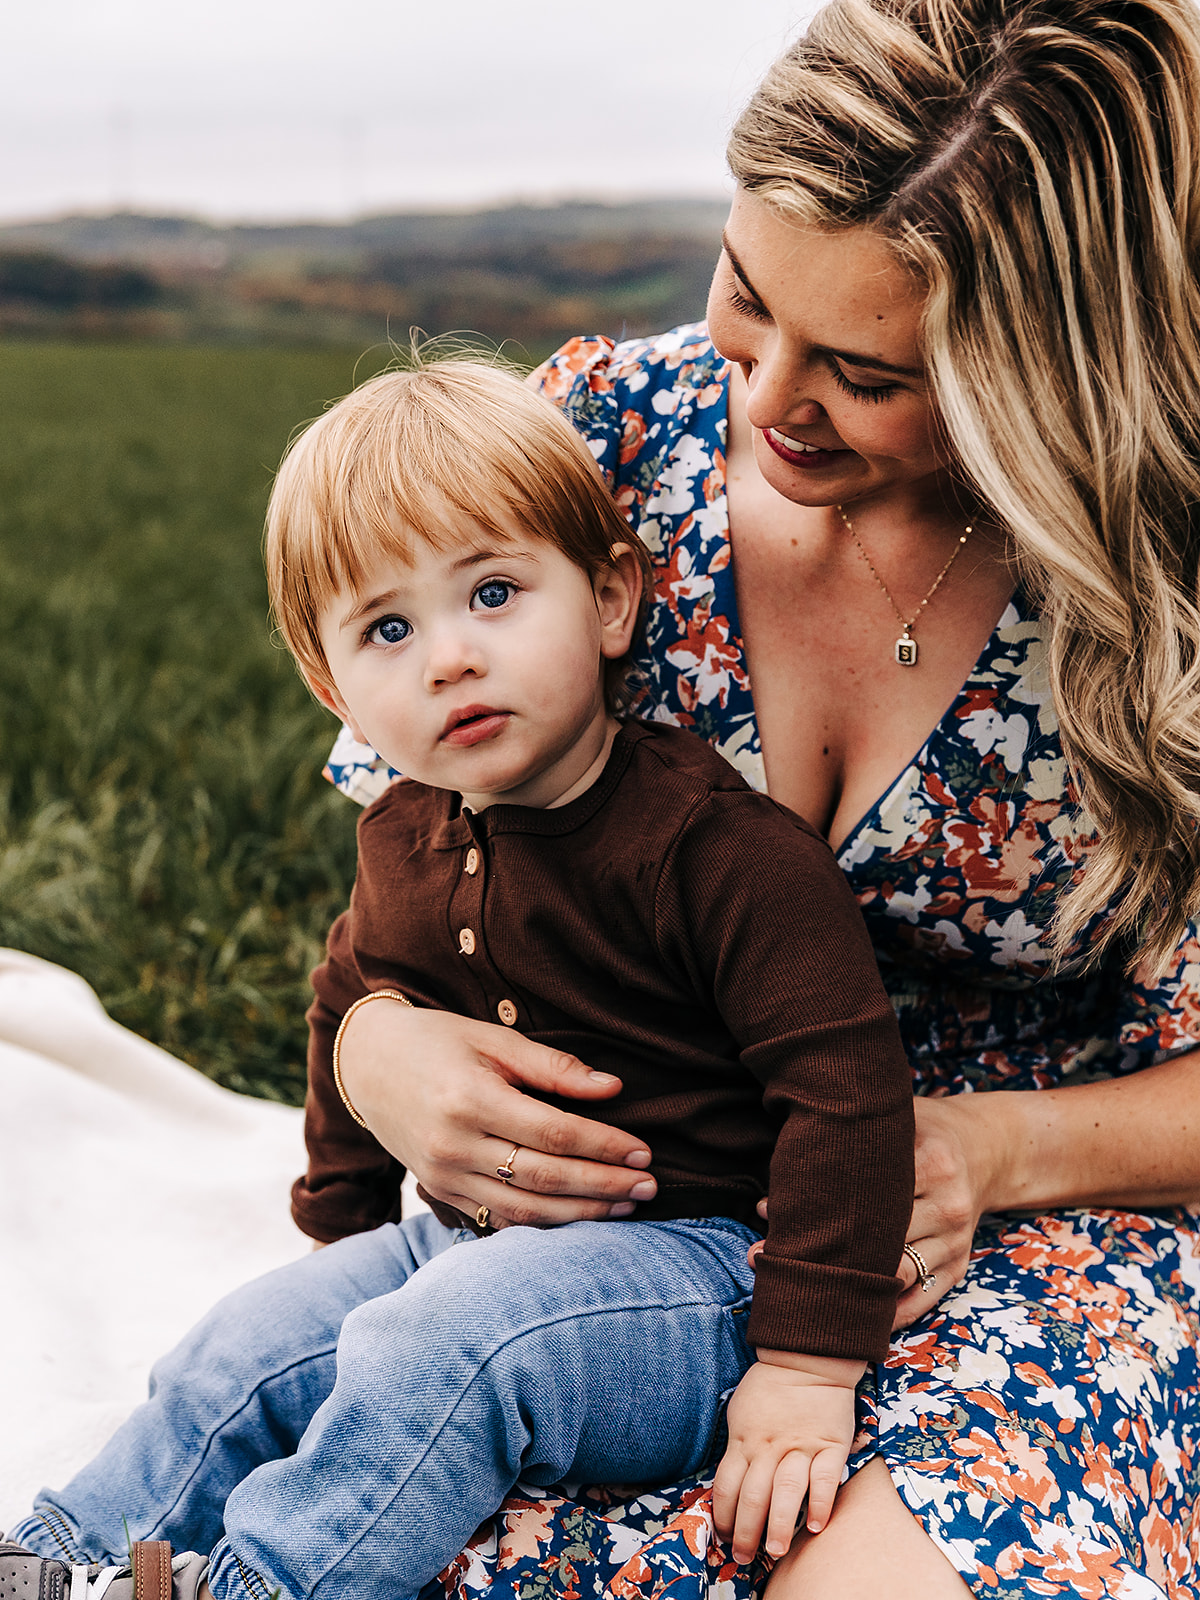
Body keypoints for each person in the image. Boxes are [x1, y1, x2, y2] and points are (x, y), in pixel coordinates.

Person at [316, 2, 1200, 1596]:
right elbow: (415, 847)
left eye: (864, 370)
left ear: (1048, 373)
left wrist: (999, 1152)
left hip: (1048, 1231)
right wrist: (382, 1049)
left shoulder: (1165, 593)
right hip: (650, 1211)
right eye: (743, 297)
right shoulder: (595, 446)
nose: (768, 398)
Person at [2, 359, 915, 1600]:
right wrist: (344, 1230)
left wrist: (807, 1361)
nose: (449, 657)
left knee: (452, 1344)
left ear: (605, 598)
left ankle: (262, 1585)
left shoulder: (715, 848)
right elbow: (349, 994)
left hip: (703, 1273)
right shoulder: (403, 834)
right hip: (468, 1247)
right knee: (246, 1348)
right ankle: (64, 1554)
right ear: (333, 686)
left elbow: (849, 1090)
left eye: (493, 592)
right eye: (390, 628)